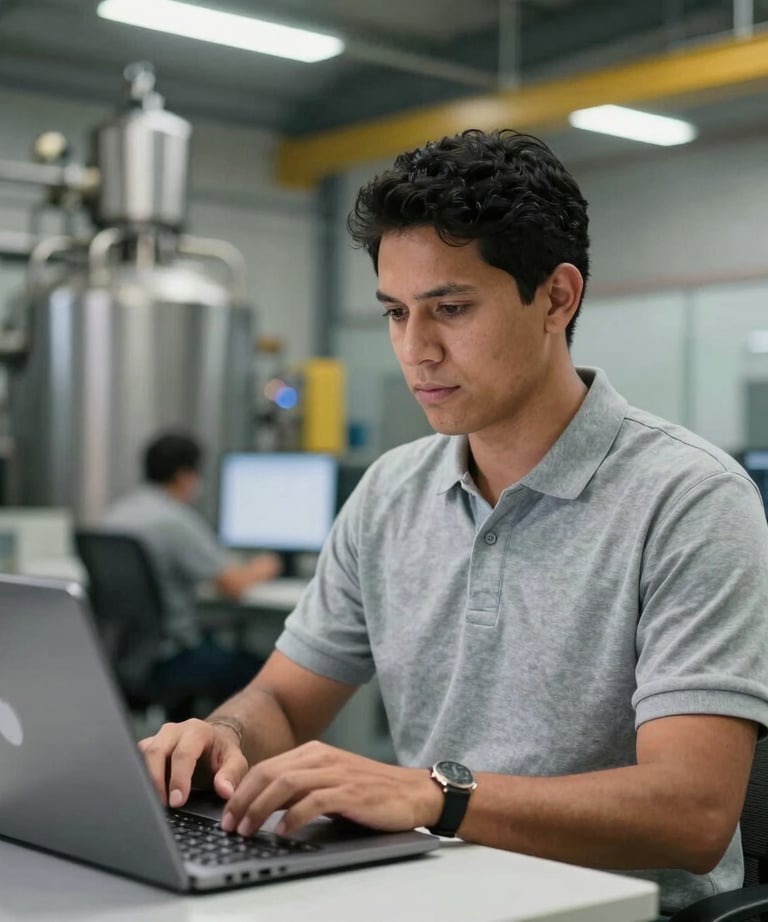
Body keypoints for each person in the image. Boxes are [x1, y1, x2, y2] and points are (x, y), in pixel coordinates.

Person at [138, 131, 768, 917]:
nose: (415, 349)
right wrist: (222, 734)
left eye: (451, 308)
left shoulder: (689, 499)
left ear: (557, 297)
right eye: (397, 313)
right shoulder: (390, 492)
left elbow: (692, 815)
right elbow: (286, 705)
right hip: (433, 893)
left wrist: (434, 795)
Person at [104, 431, 281, 710]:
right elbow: (233, 586)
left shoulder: (115, 515)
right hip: (171, 659)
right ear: (185, 476)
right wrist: (263, 568)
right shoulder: (175, 520)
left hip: (125, 658)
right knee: (270, 678)